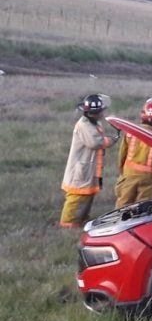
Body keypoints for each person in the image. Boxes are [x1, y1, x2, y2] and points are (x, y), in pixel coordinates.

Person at [60, 94, 118, 227]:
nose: (103, 113)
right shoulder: (84, 125)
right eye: (101, 110)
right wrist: (114, 138)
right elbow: (96, 142)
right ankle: (68, 224)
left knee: (87, 196)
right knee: (77, 196)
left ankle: (80, 220)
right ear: (95, 113)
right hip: (81, 170)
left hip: (88, 168)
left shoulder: (92, 122)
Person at [114, 98, 152, 208]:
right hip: (148, 180)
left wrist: (122, 172)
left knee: (122, 206)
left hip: (128, 175)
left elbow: (122, 155)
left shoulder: (132, 132)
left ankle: (118, 224)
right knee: (142, 208)